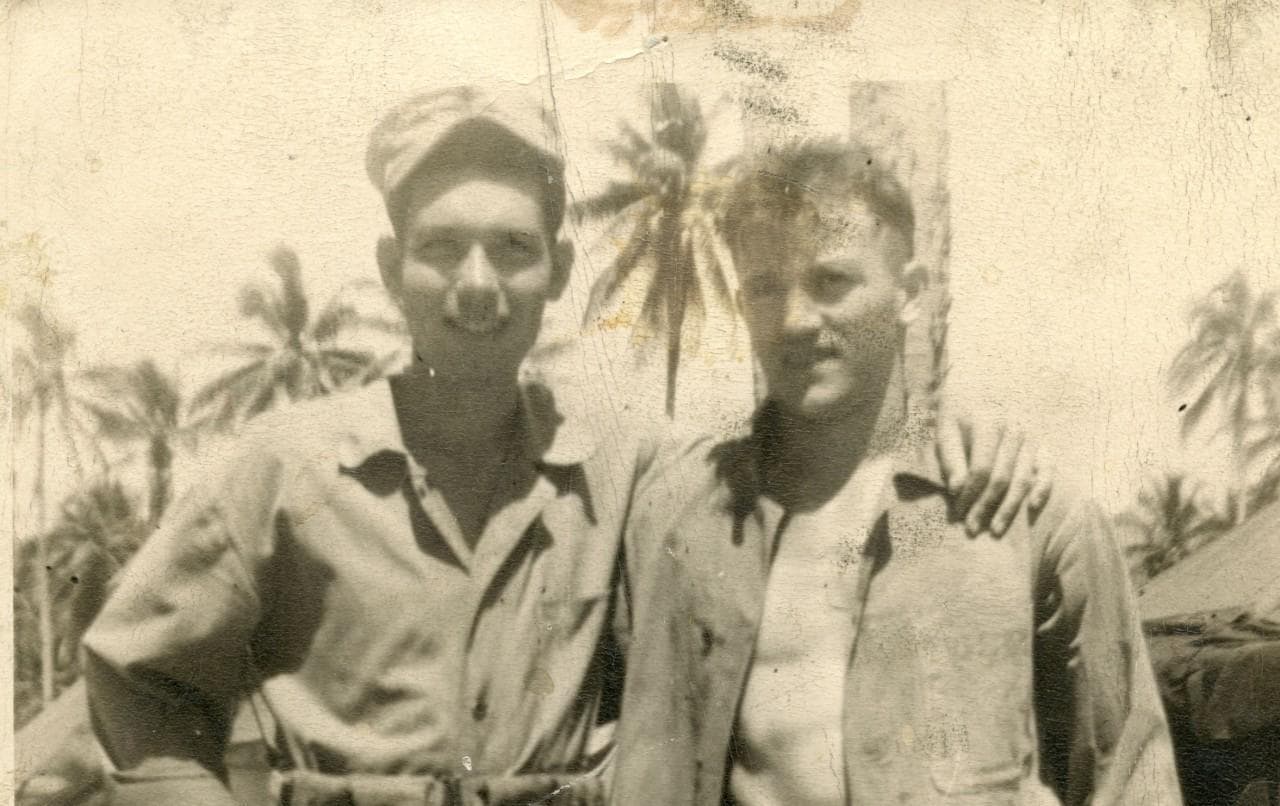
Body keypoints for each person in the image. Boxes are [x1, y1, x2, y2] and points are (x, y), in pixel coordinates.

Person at [81, 86, 1042, 806]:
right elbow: (134, 675)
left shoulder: (631, 472)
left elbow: (813, 451)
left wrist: (952, 438)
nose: (477, 283)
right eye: (440, 247)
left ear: (558, 271)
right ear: (391, 267)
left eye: (513, 249)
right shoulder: (287, 467)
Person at [610, 140, 1183, 805]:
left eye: (831, 281)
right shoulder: (679, 523)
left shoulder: (1023, 511)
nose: (795, 320)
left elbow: (1132, 775)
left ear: (908, 294)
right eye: (766, 289)